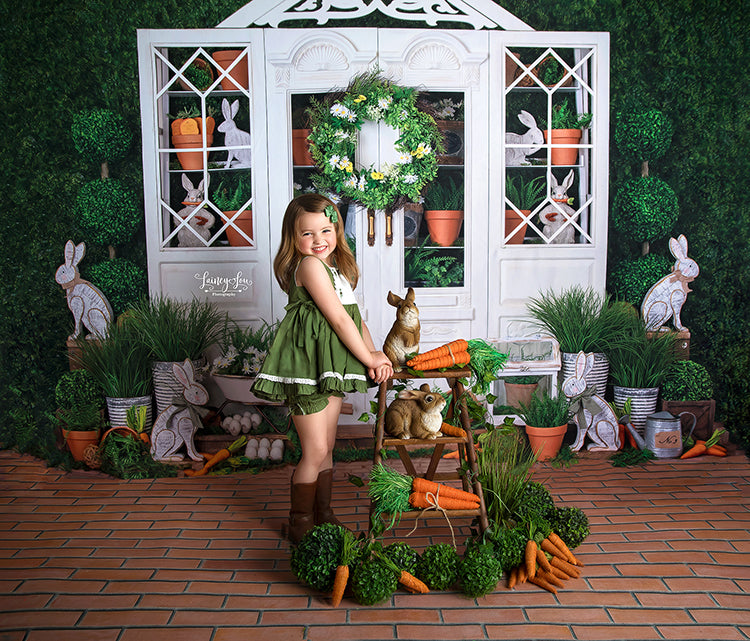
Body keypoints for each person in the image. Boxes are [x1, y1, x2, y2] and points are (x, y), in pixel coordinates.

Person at [251, 193, 393, 543]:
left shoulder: (335, 270)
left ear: (337, 230)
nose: (318, 241)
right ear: (293, 238)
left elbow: (355, 319)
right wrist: (369, 357)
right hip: (306, 369)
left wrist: (376, 353)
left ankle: (324, 515)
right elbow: (339, 320)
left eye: (325, 231)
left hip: (326, 368)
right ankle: (300, 522)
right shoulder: (310, 267)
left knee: (326, 447)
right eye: (307, 234)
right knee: (315, 450)